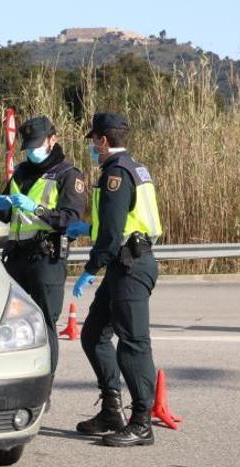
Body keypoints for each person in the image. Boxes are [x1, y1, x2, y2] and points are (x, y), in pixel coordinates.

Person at [69, 112, 163, 447]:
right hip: (125, 263)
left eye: (94, 140)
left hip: (129, 266)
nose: (93, 147)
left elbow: (111, 233)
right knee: (93, 334)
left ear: (103, 140)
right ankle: (111, 409)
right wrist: (89, 229)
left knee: (133, 345)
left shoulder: (116, 175)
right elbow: (117, 223)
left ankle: (141, 422)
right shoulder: (135, 167)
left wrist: (90, 269)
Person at [0, 116, 85, 377]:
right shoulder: (20, 173)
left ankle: (44, 386)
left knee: (44, 324)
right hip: (16, 257)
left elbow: (71, 219)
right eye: (29, 146)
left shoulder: (68, 175)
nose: (32, 151)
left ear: (52, 140)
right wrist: (0, 207)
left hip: (46, 258)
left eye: (37, 145)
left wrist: (38, 209)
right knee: (10, 324)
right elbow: (2, 215)